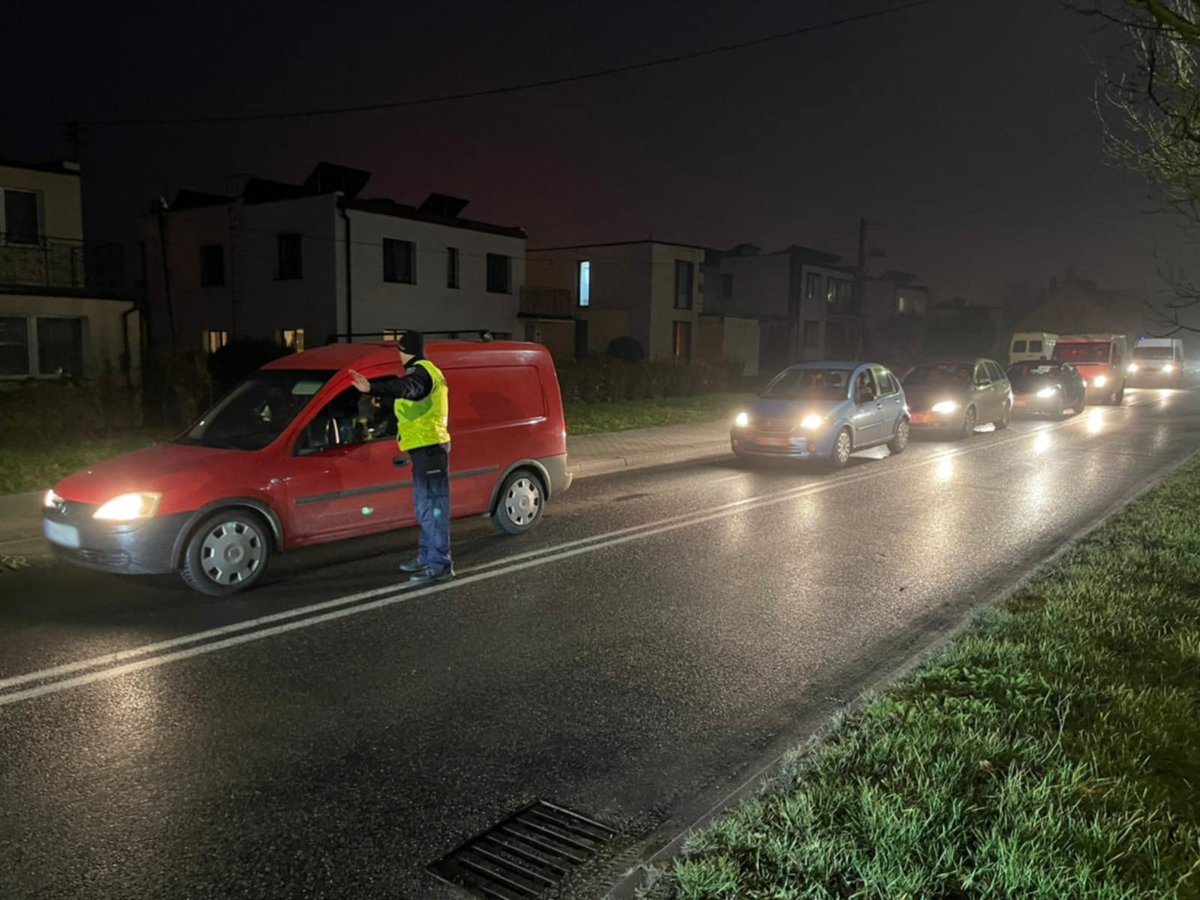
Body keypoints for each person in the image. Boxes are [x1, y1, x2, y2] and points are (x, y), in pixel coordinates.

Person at [348, 331, 453, 584]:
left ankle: (440, 565)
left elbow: (409, 389)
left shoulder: (421, 372)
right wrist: (382, 401)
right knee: (426, 508)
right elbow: (411, 398)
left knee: (432, 509)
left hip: (430, 449)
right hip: (426, 449)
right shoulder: (425, 373)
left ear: (403, 350)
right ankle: (428, 556)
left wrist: (372, 386)